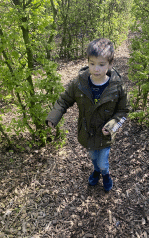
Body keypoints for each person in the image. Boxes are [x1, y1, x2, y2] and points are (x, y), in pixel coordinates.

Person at [46, 38, 129, 192]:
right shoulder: (79, 82)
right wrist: (54, 116)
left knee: (103, 162)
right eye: (92, 63)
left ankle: (105, 174)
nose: (96, 69)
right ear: (88, 62)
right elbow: (64, 99)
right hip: (87, 133)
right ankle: (96, 171)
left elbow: (123, 112)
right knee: (93, 157)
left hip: (105, 136)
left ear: (110, 64)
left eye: (101, 64)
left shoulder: (117, 86)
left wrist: (112, 126)